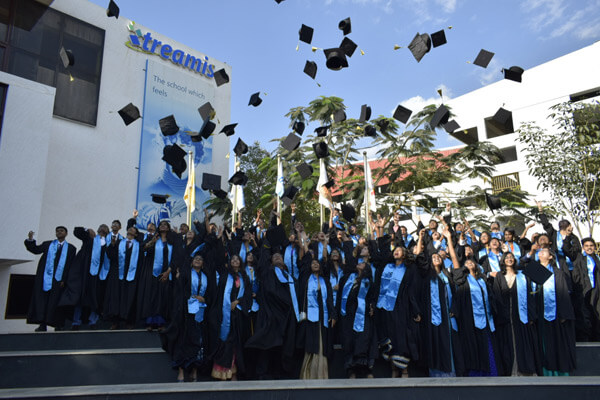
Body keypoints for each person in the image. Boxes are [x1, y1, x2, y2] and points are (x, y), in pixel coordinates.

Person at [414, 228, 463, 377]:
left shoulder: (447, 275)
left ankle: (450, 373)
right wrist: (420, 238)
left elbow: (455, 262)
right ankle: (435, 374)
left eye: (438, 256)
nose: (436, 257)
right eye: (433, 256)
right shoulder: (425, 275)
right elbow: (418, 257)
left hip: (447, 315)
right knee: (433, 343)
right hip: (431, 316)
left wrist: (449, 239)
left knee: (448, 343)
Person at [524, 246, 576, 375]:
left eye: (544, 252)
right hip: (539, 311)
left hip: (555, 313)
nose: (540, 253)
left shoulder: (557, 273)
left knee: (556, 341)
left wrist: (563, 314)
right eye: (539, 252)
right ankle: (544, 370)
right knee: (542, 342)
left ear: (551, 256)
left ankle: (558, 370)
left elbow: (563, 293)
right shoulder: (533, 269)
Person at [451, 250, 501, 376]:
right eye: (466, 263)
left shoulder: (482, 280)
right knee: (473, 346)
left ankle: (492, 372)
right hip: (470, 319)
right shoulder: (462, 280)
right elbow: (455, 261)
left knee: (488, 345)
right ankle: (475, 374)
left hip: (486, 318)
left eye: (471, 262)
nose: (469, 263)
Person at [374, 245, 421, 378]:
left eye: (399, 250)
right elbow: (378, 286)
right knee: (389, 338)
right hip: (384, 308)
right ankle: (393, 368)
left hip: (401, 307)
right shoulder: (386, 267)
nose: (396, 252)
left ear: (405, 254)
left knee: (401, 338)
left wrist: (415, 310)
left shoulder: (410, 269)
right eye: (395, 250)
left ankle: (404, 369)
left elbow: (412, 290)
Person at [491, 252, 541, 376]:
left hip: (521, 315)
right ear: (503, 260)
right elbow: (497, 296)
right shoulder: (499, 276)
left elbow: (530, 294)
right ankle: (511, 370)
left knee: (523, 342)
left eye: (511, 257)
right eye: (507, 257)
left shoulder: (522, 275)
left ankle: (525, 369)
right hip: (505, 317)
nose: (509, 259)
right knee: (508, 343)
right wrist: (502, 315)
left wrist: (531, 315)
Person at [161, 255, 209, 382]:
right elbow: (179, 291)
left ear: (203, 264)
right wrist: (191, 297)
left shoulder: (206, 277)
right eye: (195, 259)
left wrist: (204, 299)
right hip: (185, 312)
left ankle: (194, 370)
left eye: (200, 259)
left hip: (200, 313)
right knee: (183, 340)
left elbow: (210, 294)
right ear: (191, 262)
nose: (198, 260)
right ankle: (181, 371)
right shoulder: (185, 274)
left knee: (198, 342)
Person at [25, 227, 77, 331]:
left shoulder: (71, 248)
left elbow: (70, 265)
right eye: (57, 231)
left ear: (66, 233)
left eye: (61, 231)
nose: (59, 232)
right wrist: (30, 240)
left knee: (57, 303)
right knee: (43, 301)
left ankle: (58, 324)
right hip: (45, 279)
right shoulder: (48, 244)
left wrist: (64, 279)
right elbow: (35, 250)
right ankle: (42, 324)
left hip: (59, 281)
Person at [208, 255, 251, 381]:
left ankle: (233, 372)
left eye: (237, 259)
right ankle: (222, 372)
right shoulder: (225, 276)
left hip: (238, 314)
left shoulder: (244, 277)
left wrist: (237, 302)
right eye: (233, 259)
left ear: (240, 262)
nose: (235, 261)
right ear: (229, 262)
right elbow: (219, 293)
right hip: (224, 313)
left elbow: (247, 294)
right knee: (225, 342)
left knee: (236, 343)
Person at [297, 251, 336, 379]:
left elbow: (329, 299)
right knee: (311, 343)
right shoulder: (305, 279)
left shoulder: (325, 281)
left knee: (322, 343)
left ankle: (320, 374)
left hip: (322, 316)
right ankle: (308, 374)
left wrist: (333, 314)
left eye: (317, 263)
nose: (315, 264)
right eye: (312, 263)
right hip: (309, 316)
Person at [138, 220, 177, 331]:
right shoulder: (153, 238)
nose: (163, 226)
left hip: (167, 272)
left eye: (165, 225)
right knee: (153, 297)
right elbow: (142, 248)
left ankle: (161, 323)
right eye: (161, 225)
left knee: (164, 297)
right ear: (158, 228)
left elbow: (176, 257)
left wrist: (168, 272)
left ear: (168, 228)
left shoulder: (172, 241)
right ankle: (150, 322)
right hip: (154, 273)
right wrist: (152, 242)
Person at [70, 224, 109, 330]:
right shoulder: (89, 239)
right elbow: (77, 231)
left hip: (99, 275)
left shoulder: (108, 244)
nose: (103, 229)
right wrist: (87, 230)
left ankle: (93, 321)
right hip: (85, 273)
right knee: (81, 297)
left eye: (105, 228)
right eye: (101, 227)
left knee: (96, 297)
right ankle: (76, 321)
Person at [106, 226, 144, 329]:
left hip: (132, 275)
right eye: (129, 229)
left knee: (130, 297)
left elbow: (141, 261)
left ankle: (129, 321)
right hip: (118, 275)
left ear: (136, 234)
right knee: (116, 297)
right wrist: (112, 246)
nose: (130, 230)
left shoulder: (139, 245)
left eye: (133, 229)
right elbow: (111, 256)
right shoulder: (119, 242)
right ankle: (115, 321)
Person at [569, 238, 600, 341]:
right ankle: (586, 336)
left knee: (596, 311)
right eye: (586, 246)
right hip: (584, 290)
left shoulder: (597, 259)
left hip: (596, 290)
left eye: (591, 246)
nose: (589, 248)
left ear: (594, 247)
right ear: (583, 247)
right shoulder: (579, 258)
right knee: (585, 313)